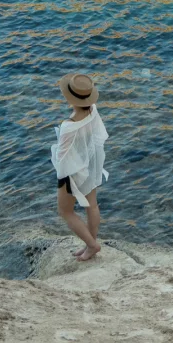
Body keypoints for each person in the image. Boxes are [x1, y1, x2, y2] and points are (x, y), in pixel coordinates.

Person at [52, 71, 108, 262]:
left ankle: (92, 245)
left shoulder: (69, 125)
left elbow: (62, 155)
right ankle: (90, 244)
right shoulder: (93, 110)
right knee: (91, 205)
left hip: (72, 172)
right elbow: (97, 137)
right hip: (90, 165)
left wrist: (62, 177)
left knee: (65, 211)